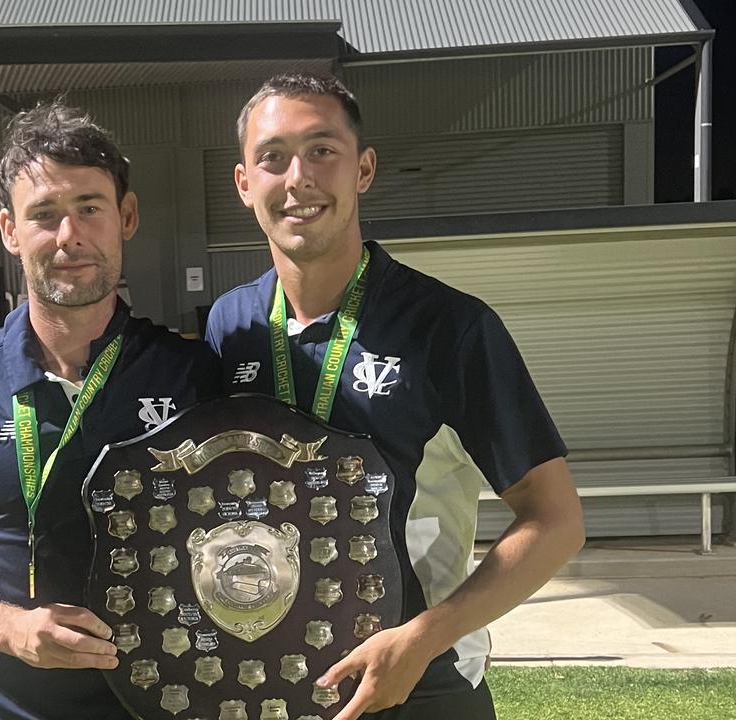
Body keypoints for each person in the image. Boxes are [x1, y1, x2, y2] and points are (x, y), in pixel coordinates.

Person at [205, 73, 585, 719]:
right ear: (245, 183)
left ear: (364, 169)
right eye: (273, 157)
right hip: (266, 674)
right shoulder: (229, 326)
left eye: (322, 149)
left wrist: (427, 637)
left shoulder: (449, 326)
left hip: (417, 680)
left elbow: (555, 520)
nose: (298, 177)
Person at [0, 101, 219, 720]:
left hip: (179, 705)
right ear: (10, 230)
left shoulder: (194, 375)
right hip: (15, 707)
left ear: (126, 217)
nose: (69, 236)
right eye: (44, 215)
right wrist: (10, 629)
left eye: (89, 208)